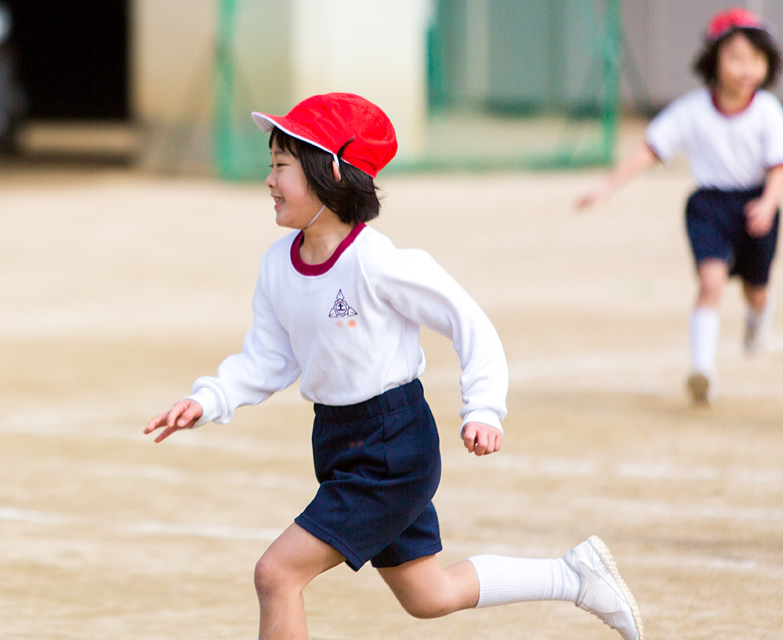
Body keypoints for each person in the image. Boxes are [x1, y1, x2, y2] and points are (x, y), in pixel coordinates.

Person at [146, 92, 643, 640]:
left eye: (282, 166)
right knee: (429, 595)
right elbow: (268, 357)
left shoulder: (377, 261)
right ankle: (575, 577)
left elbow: (468, 321)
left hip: (392, 445)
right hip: (336, 440)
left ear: (332, 172)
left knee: (277, 574)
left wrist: (484, 409)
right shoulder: (277, 265)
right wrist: (208, 399)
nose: (269, 180)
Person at [577, 7, 783, 406]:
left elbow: (778, 167)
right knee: (710, 283)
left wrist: (769, 204)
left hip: (756, 204)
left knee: (756, 290)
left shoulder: (768, 113)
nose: (747, 69)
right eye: (736, 58)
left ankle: (758, 316)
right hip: (708, 206)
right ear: (714, 60)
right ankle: (702, 370)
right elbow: (649, 151)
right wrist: (605, 188)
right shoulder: (691, 111)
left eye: (757, 59)